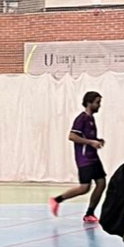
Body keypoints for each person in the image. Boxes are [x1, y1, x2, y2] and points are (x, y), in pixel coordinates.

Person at [50, 92, 106, 223]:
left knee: (101, 183)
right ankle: (56, 200)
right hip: (85, 159)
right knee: (84, 188)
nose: (99, 105)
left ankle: (89, 213)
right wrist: (91, 142)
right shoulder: (82, 119)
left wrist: (97, 140)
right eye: (97, 102)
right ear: (89, 103)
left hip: (94, 157)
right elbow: (72, 136)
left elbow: (86, 137)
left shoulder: (91, 119)